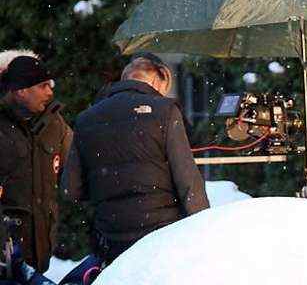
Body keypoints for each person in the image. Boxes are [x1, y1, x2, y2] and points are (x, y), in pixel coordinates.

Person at [62, 55, 209, 264]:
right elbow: (187, 180)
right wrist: (203, 226)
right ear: (157, 81)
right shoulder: (165, 111)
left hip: (111, 236)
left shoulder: (86, 118)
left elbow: (70, 189)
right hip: (160, 233)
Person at [0, 52, 73, 274]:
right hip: (6, 249)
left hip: (40, 248)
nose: (50, 91)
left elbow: (76, 167)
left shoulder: (55, 124)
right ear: (21, 91)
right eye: (43, 86)